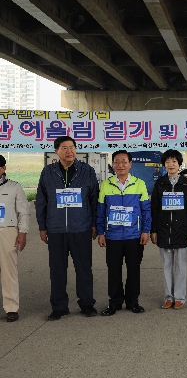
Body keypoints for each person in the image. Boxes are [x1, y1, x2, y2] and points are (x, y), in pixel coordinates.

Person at [36, 136, 99, 321]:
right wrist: (42, 226)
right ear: (56, 151)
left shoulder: (87, 170)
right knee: (57, 269)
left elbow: (94, 199)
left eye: (72, 147)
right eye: (64, 148)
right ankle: (59, 306)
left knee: (84, 268)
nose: (69, 151)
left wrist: (95, 224)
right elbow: (42, 201)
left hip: (81, 227)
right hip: (56, 229)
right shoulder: (48, 172)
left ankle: (87, 303)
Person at [97, 150, 151, 316]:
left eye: (124, 162)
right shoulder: (106, 185)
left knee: (133, 269)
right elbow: (100, 210)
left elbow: (146, 210)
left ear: (130, 164)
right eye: (117, 162)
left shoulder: (139, 183)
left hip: (133, 235)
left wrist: (146, 230)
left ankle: (132, 302)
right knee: (113, 270)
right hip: (112, 236)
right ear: (113, 164)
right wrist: (101, 232)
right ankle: (114, 303)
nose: (120, 165)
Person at [150, 150, 187, 310]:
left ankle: (180, 297)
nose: (171, 165)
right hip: (164, 230)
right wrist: (154, 230)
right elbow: (154, 208)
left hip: (182, 230)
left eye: (174, 162)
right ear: (164, 165)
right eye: (168, 162)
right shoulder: (160, 183)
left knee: (181, 266)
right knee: (166, 266)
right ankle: (168, 297)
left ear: (179, 164)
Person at [0, 155, 29, 322]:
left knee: (9, 271)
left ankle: (11, 308)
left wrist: (23, 232)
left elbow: (23, 211)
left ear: (3, 169)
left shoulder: (14, 187)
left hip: (8, 231)